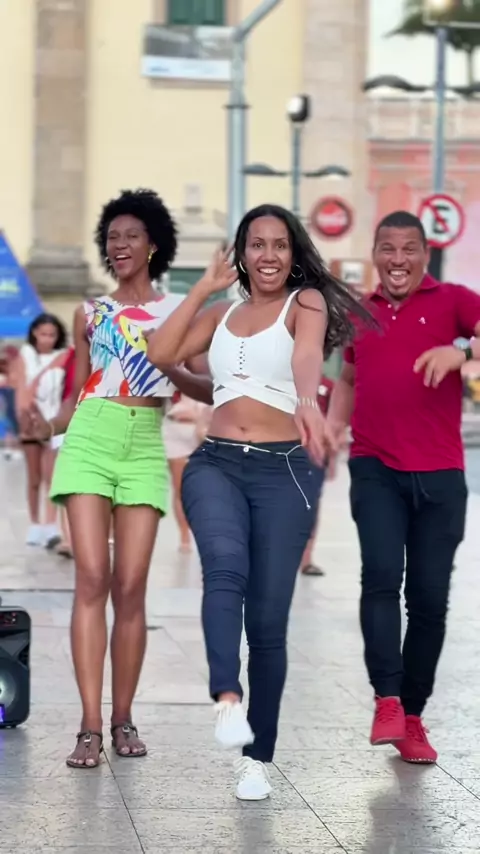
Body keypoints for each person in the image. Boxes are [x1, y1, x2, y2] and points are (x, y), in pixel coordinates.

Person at [147, 203, 372, 800]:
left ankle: (256, 759)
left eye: (279, 244)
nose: (268, 254)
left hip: (285, 471)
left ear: (293, 253)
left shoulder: (306, 303)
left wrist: (308, 401)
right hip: (216, 464)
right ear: (241, 254)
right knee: (223, 571)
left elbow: (305, 358)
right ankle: (227, 697)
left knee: (268, 624)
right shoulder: (220, 313)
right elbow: (161, 355)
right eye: (256, 244)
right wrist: (201, 289)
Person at [24, 189, 212, 769]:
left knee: (131, 587)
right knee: (92, 577)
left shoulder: (179, 311)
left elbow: (207, 386)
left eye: (132, 235)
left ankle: (122, 716)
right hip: (90, 439)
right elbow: (79, 395)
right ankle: (88, 725)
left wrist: (168, 363)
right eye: (112, 237)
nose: (120, 245)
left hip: (145, 444)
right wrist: (42, 426)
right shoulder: (89, 312)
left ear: (154, 244)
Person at [327, 210, 480, 765]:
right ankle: (386, 699)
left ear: (424, 254)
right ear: (374, 254)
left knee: (430, 599)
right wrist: (332, 427)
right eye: (387, 249)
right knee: (381, 576)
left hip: (441, 475)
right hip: (375, 468)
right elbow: (349, 378)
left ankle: (412, 714)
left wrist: (463, 352)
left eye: (408, 248)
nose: (397, 259)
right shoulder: (358, 312)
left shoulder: (454, 300)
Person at [13, 313, 68, 546]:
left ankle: (50, 525)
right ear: (35, 333)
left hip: (54, 422)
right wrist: (25, 417)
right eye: (43, 334)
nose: (47, 339)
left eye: (52, 335)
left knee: (51, 477)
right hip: (29, 421)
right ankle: (35, 524)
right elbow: (20, 388)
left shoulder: (64, 356)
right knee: (34, 478)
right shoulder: (24, 355)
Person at [162, 393, 210, 552]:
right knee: (180, 488)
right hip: (175, 430)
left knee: (203, 489)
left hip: (203, 430)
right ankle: (184, 534)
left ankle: (203, 532)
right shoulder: (171, 382)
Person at [299, 376, 335, 576]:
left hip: (315, 454)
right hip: (287, 450)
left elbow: (333, 422)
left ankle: (306, 559)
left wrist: (332, 458)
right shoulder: (288, 381)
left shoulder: (328, 386)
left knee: (311, 505)